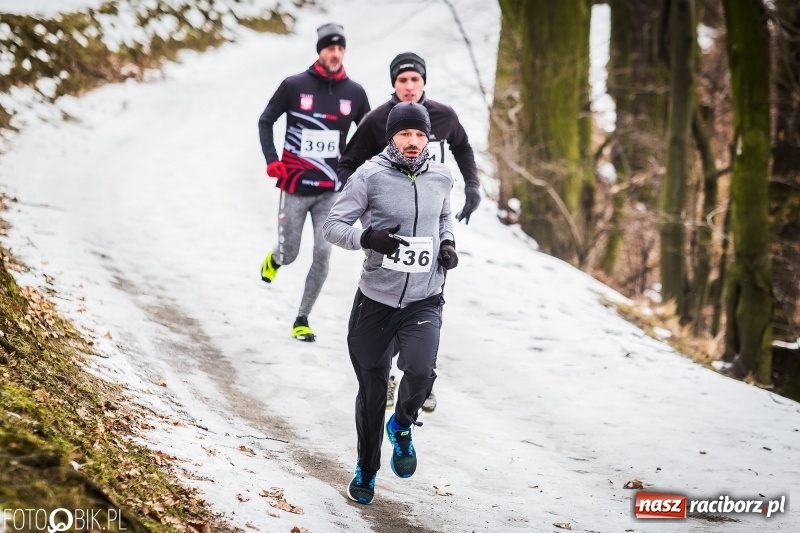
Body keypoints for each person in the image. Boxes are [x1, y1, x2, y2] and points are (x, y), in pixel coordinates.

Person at [323, 102, 459, 505]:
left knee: (420, 371)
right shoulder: (369, 176)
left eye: (420, 134)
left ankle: (401, 426)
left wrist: (448, 244)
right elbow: (334, 225)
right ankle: (366, 468)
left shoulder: (441, 176)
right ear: (392, 136)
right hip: (376, 301)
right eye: (405, 134)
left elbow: (442, 216)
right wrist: (367, 239)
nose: (414, 142)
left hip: (425, 297)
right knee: (372, 389)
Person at [338, 52, 477, 409]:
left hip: (429, 225)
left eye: (415, 79)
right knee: (390, 302)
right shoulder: (376, 121)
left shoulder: (444, 116)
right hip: (389, 234)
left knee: (419, 304)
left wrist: (472, 189)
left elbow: (462, 147)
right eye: (402, 81)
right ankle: (386, 374)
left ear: (424, 82)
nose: (409, 86)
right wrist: (367, 215)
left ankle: (418, 376)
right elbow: (350, 164)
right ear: (394, 85)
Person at [258, 23, 370, 342]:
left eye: (340, 48)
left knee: (323, 253)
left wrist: (359, 170)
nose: (335, 54)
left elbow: (369, 134)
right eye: (329, 48)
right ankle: (276, 258)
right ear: (319, 51)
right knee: (291, 253)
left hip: (331, 191)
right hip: (295, 186)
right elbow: (266, 120)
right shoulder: (294, 85)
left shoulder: (355, 93)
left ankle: (302, 317)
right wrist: (272, 161)